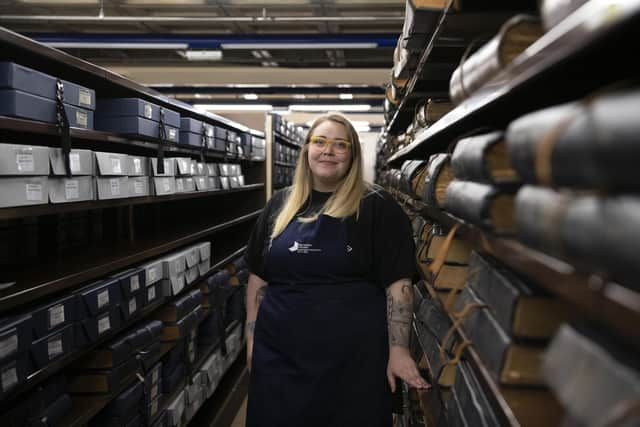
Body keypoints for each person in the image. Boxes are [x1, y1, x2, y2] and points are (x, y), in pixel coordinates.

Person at [244, 113, 429, 427]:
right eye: (320, 142)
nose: (328, 151)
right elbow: (259, 279)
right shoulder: (279, 205)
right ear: (306, 150)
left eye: (340, 145)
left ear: (353, 156)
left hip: (353, 363)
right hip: (279, 357)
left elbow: (399, 284)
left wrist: (399, 350)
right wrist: (251, 339)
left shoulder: (377, 206)